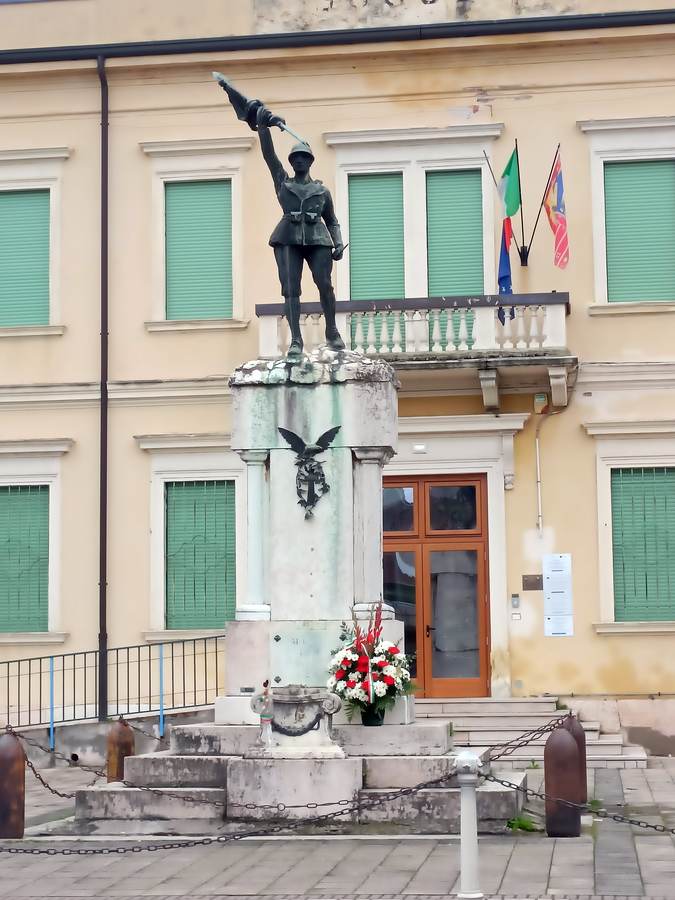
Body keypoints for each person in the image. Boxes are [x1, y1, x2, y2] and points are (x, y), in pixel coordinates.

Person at [256, 106, 346, 356]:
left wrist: (337, 243)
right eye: (295, 158)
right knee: (290, 288)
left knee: (325, 284)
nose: (298, 161)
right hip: (288, 237)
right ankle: (296, 338)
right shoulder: (283, 182)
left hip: (317, 237)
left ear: (310, 161)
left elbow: (332, 220)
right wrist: (264, 128)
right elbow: (269, 156)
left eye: (303, 157)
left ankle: (332, 330)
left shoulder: (322, 191)